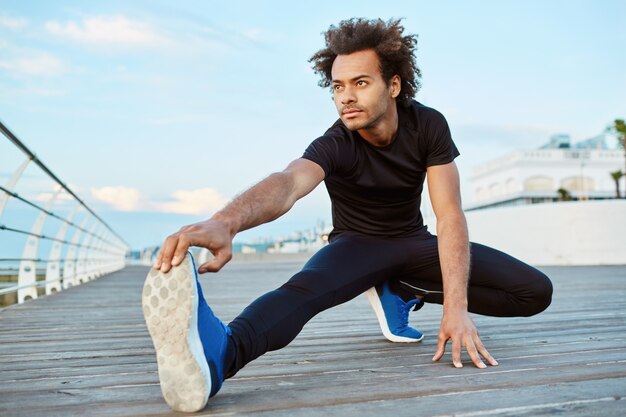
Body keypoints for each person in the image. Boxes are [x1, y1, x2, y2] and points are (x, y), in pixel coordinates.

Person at [142, 18, 553, 412]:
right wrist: (226, 221)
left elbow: (449, 216)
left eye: (360, 82)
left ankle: (404, 288)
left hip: (413, 242)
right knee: (302, 292)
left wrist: (455, 308)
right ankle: (219, 355)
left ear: (393, 85)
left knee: (534, 291)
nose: (346, 97)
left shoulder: (427, 125)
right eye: (337, 86)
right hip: (357, 245)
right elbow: (287, 183)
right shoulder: (337, 143)